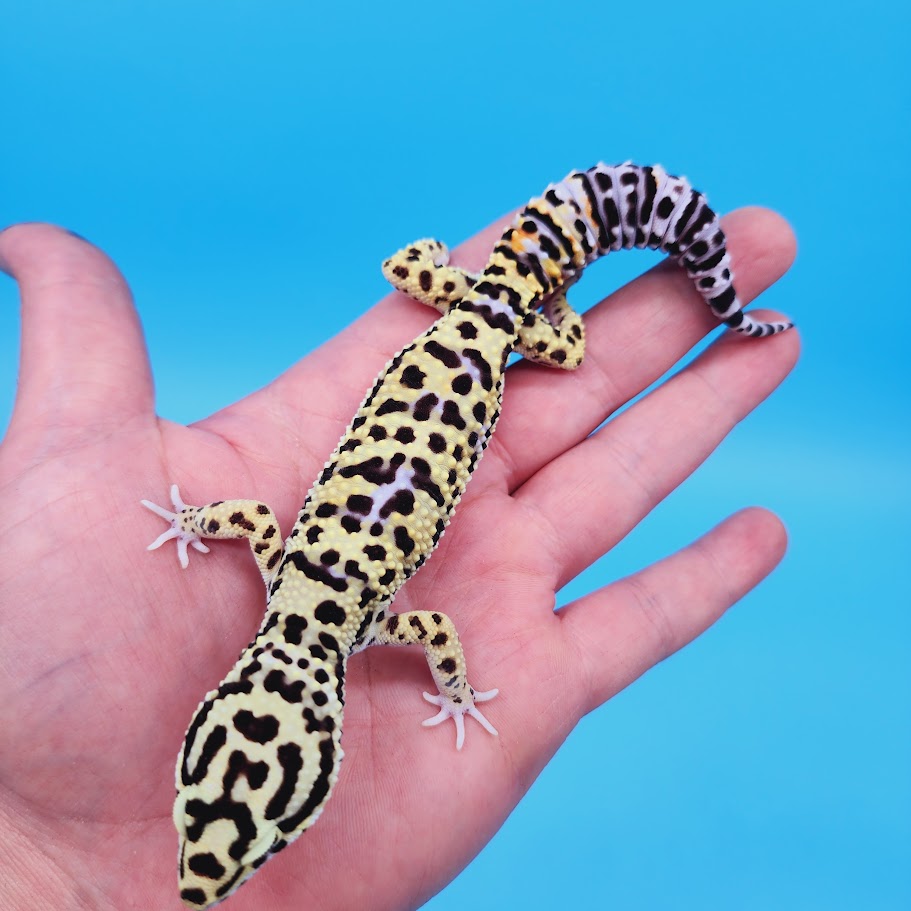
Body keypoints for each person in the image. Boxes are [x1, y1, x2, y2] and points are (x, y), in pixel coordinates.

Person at [0, 209, 797, 910]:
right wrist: (196, 520)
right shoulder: (290, 582)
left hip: (490, 331)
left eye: (199, 808)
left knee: (563, 347)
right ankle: (586, 287)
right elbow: (247, 520)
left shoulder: (372, 623)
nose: (205, 868)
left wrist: (455, 688)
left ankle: (638, 285)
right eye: (253, 834)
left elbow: (439, 632)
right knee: (430, 283)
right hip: (476, 320)